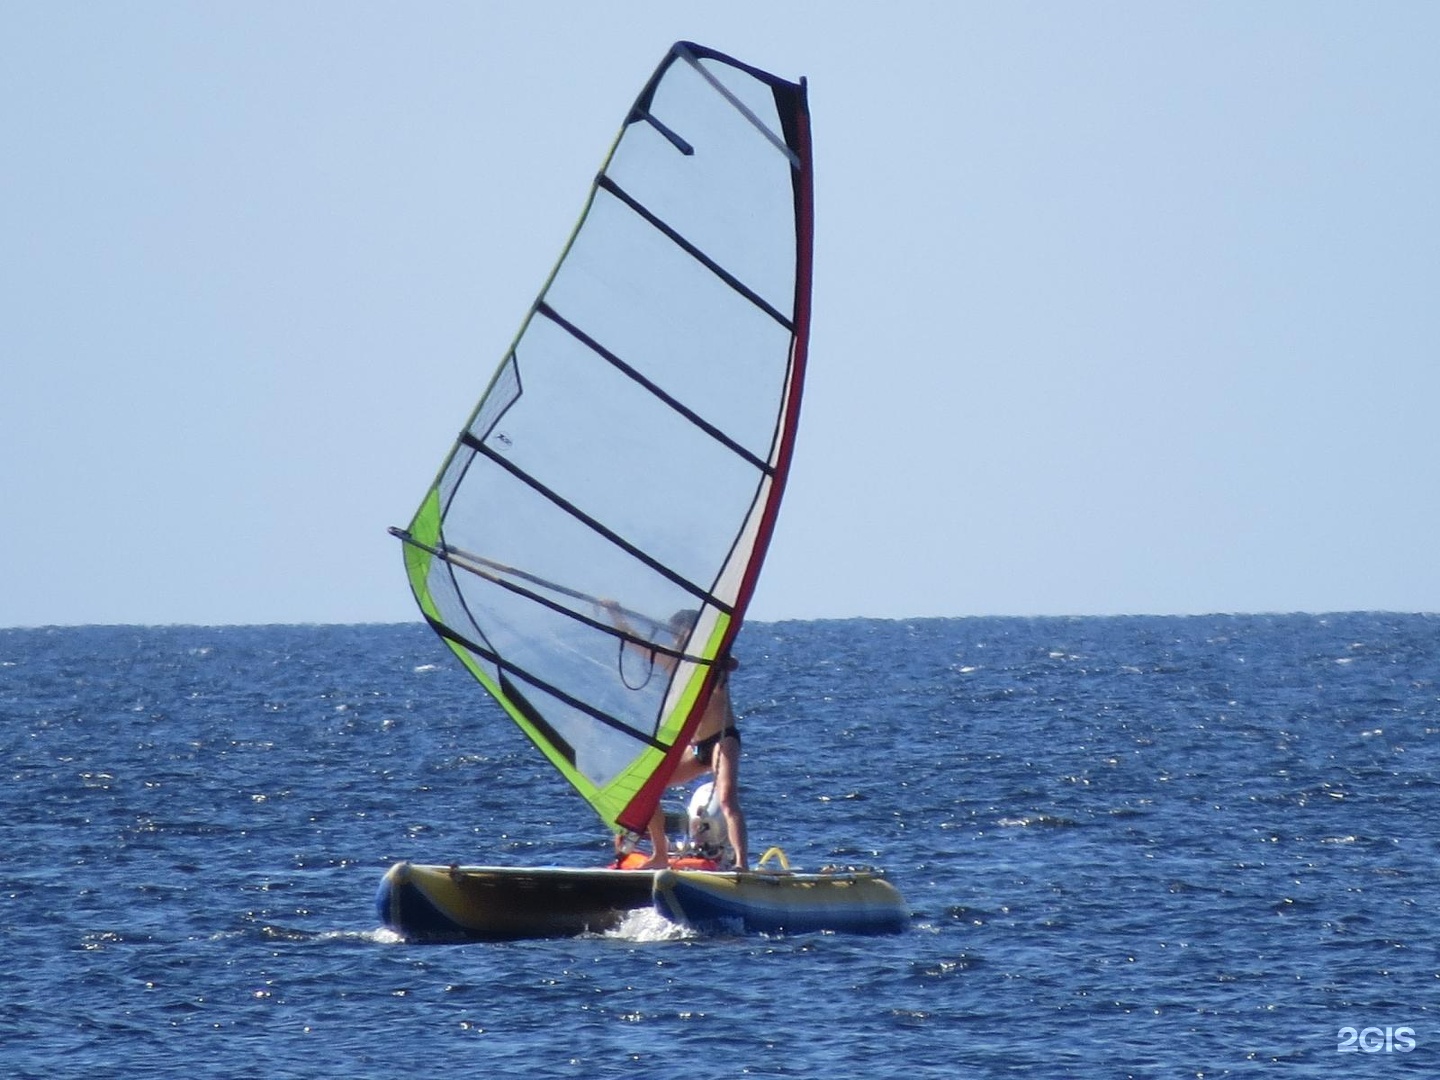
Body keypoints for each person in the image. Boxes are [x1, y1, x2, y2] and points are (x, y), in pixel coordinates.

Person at [603, 603, 748, 870]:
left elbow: (728, 667)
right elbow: (636, 642)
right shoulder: (673, 662)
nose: (676, 638)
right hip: (694, 748)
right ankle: (659, 854)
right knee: (648, 788)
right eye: (675, 634)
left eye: (681, 633)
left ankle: (742, 864)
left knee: (727, 799)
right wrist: (615, 613)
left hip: (721, 740)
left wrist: (722, 661)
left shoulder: (712, 660)